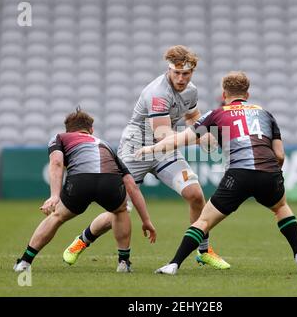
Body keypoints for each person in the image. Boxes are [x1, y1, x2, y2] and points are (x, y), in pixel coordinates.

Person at [62, 45, 230, 270]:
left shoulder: (191, 90)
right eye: (176, 72)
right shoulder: (158, 93)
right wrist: (202, 139)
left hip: (164, 151)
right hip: (136, 150)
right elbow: (164, 134)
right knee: (121, 209)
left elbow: (193, 116)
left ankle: (203, 250)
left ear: (192, 72)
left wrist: (203, 132)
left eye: (186, 74)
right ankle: (82, 240)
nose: (181, 78)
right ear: (169, 69)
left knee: (195, 194)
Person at [136, 71, 297, 275]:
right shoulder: (265, 114)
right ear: (247, 94)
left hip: (238, 175)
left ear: (224, 94)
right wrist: (273, 174)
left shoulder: (216, 114)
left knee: (203, 221)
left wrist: (150, 149)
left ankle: (173, 264)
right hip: (268, 172)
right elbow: (280, 155)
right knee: (281, 207)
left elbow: (180, 139)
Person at [13, 108, 156, 273]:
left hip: (81, 181)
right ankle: (123, 263)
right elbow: (131, 184)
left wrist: (54, 196)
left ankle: (25, 262)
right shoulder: (105, 144)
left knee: (57, 216)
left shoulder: (60, 137)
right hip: (109, 182)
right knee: (120, 211)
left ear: (68, 129)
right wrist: (146, 220)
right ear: (91, 130)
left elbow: (57, 163)